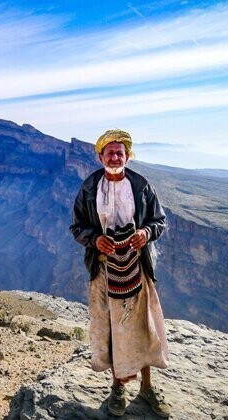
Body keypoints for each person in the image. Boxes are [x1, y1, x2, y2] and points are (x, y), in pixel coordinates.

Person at [70, 129, 170, 417]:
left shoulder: (141, 186)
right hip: (102, 269)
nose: (115, 156)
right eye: (110, 152)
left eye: (120, 152)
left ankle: (148, 388)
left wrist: (145, 232)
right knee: (112, 328)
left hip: (137, 268)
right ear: (101, 156)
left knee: (142, 326)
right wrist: (94, 238)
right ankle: (117, 387)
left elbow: (159, 221)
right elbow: (76, 227)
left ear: (127, 156)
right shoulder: (90, 188)